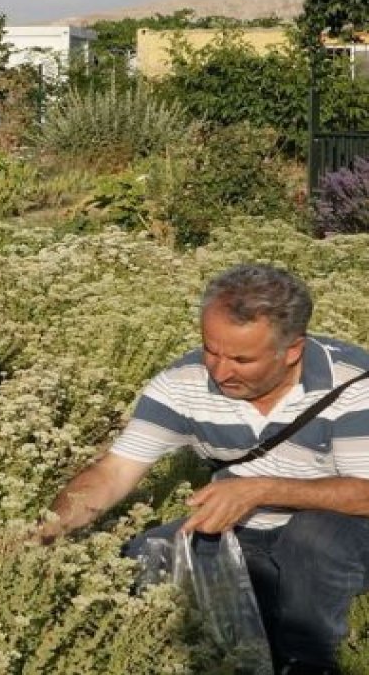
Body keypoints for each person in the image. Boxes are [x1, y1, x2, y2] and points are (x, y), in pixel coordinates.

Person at [39, 263, 369, 674]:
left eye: (242, 359)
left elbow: (364, 495)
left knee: (312, 539)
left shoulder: (353, 382)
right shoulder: (183, 381)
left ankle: (308, 659)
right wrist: (45, 532)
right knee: (147, 554)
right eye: (211, 350)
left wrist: (261, 489)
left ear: (293, 351)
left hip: (341, 528)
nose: (220, 370)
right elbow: (113, 473)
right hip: (243, 529)